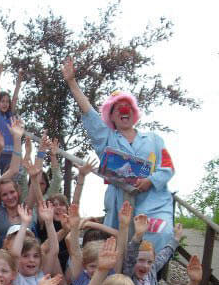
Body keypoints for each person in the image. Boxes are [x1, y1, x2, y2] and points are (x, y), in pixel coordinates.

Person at [62, 57, 176, 252]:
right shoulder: (106, 139)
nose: (124, 110)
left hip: (153, 203)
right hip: (119, 204)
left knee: (161, 234)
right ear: (111, 115)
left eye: (128, 107)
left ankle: (149, 275)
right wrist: (72, 83)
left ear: (134, 113)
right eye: (117, 108)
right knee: (118, 249)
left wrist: (151, 180)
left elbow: (168, 168)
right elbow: (89, 112)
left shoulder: (154, 139)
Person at [0, 63, 23, 174]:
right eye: (2, 101)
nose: (5, 104)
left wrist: (18, 82)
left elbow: (15, 99)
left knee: (8, 180)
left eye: (7, 102)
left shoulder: (10, 116)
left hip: (10, 154)